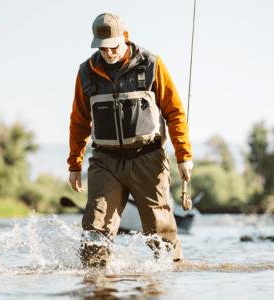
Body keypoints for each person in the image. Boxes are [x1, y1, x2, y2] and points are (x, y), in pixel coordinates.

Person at [67, 13, 193, 267]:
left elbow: (175, 112)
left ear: (125, 37)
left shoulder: (152, 64)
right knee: (94, 232)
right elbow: (79, 121)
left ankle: (170, 279)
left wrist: (184, 155)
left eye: (113, 46)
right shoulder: (86, 72)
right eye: (102, 47)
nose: (108, 52)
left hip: (148, 158)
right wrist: (74, 163)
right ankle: (96, 286)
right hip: (105, 161)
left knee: (160, 231)